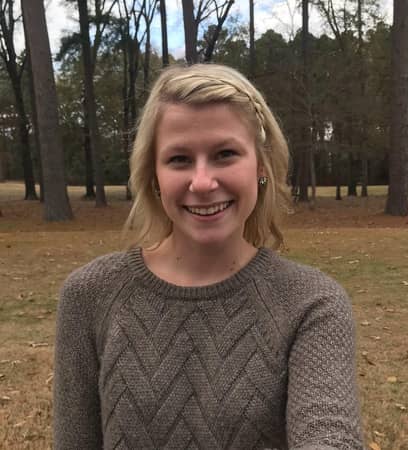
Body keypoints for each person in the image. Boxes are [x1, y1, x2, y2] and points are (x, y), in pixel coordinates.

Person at [53, 63, 364, 450]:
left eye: (225, 154)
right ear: (154, 175)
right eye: (179, 159)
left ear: (261, 166)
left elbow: (330, 434)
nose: (202, 182)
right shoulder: (89, 295)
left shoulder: (312, 303)